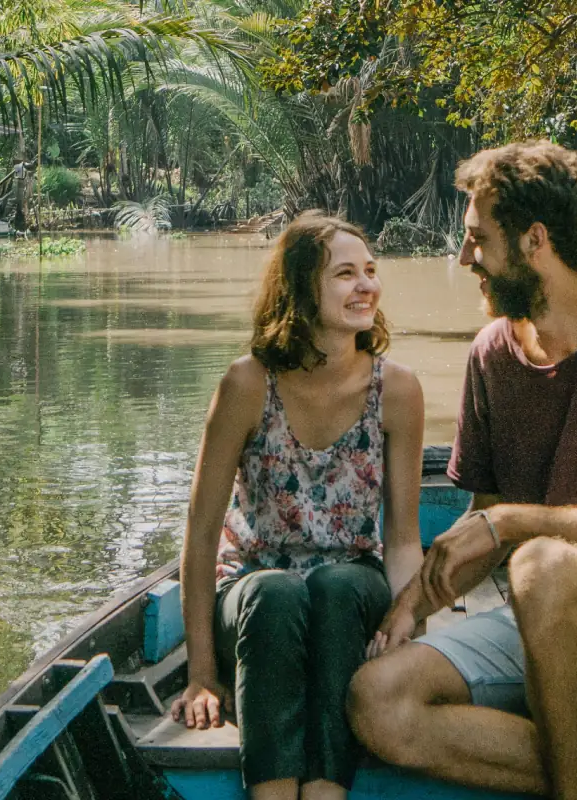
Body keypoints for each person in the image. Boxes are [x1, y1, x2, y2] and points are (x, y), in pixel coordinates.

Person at [351, 142, 577, 800]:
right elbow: (486, 519)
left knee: (541, 564)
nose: (465, 259)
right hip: (543, 615)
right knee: (378, 699)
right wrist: (410, 607)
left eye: (477, 240)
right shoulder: (492, 353)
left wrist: (513, 523)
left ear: (535, 241)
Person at [168, 214, 427, 800]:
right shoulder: (246, 385)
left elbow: (405, 538)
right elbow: (202, 531)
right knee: (277, 592)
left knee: (335, 587)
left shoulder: (398, 390)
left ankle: (327, 793)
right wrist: (201, 675)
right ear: (300, 289)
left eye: (370, 272)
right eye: (345, 274)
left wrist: (409, 635)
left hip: (351, 583)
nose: (366, 286)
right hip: (255, 589)